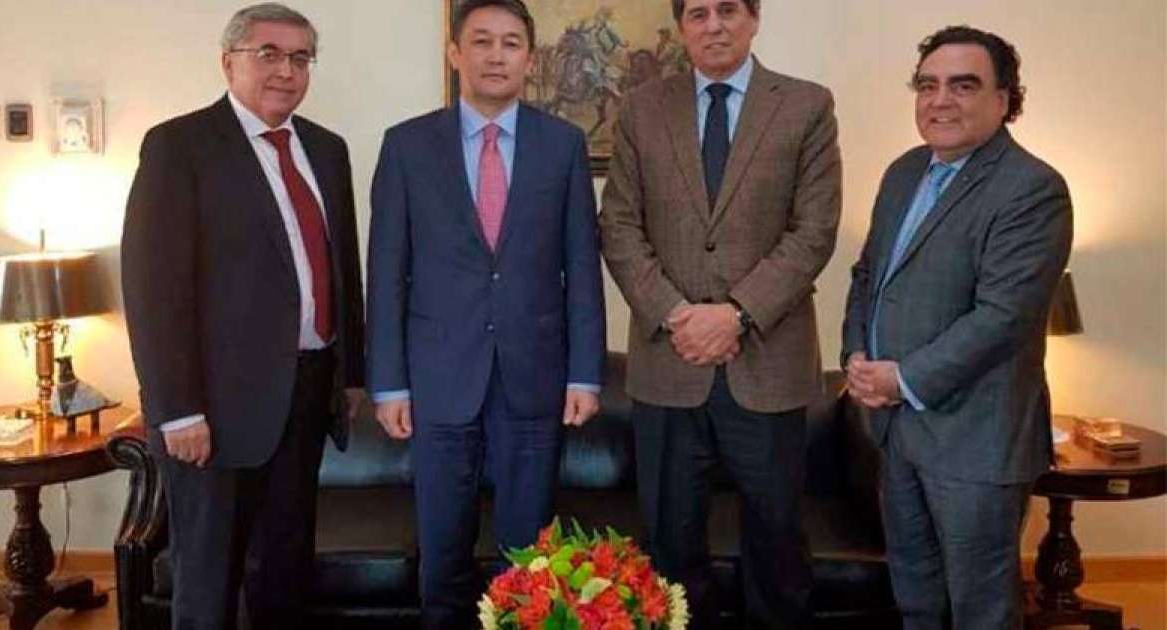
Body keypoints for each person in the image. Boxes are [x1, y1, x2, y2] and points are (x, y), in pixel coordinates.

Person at [121, 4, 364, 628]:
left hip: (307, 394)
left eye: (300, 57)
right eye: (269, 54)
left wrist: (351, 375)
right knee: (209, 582)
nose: (287, 70)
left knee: (284, 572)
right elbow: (153, 289)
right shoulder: (180, 147)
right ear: (229, 62)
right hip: (216, 410)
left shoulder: (326, 150)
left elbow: (342, 268)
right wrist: (177, 409)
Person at [599, 0, 842, 626]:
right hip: (668, 365)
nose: (714, 25)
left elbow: (814, 231)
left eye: (728, 9)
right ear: (681, 26)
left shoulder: (806, 106)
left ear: (754, 18)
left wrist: (736, 314)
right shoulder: (641, 109)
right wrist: (676, 314)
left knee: (776, 546)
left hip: (768, 365)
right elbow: (618, 226)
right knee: (669, 548)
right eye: (699, 13)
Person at [366, 0, 606, 626]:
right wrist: (387, 383)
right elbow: (386, 273)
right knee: (443, 554)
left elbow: (582, 267)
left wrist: (585, 374)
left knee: (529, 559)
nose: (496, 56)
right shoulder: (407, 145)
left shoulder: (563, 145)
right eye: (481, 41)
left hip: (535, 377)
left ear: (530, 58)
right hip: (438, 379)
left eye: (510, 43)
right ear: (455, 53)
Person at [841, 25, 1073, 630]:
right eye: (927, 85)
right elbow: (867, 275)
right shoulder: (904, 172)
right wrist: (856, 356)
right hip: (898, 434)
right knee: (916, 602)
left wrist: (902, 379)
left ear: (1004, 99)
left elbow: (1003, 317)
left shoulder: (1032, 189)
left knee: (981, 612)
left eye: (963, 86)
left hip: (976, 441)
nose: (940, 100)